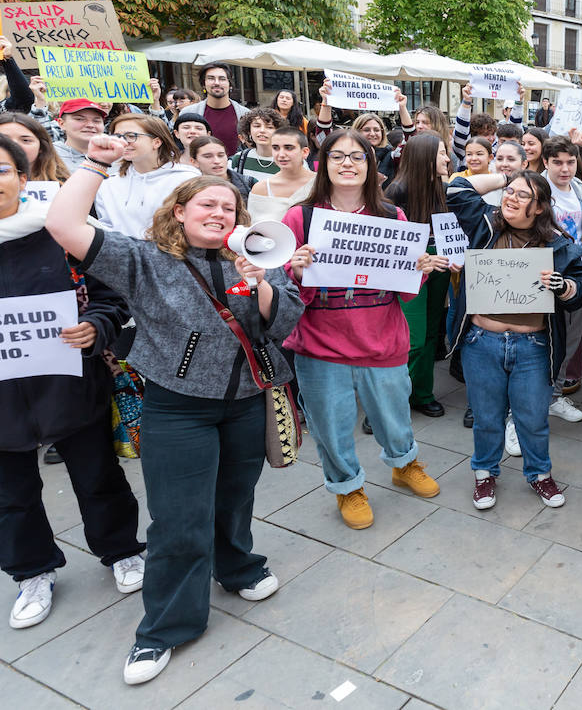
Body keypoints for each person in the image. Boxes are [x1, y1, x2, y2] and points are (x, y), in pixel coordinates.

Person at [46, 137, 304, 685]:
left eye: (228, 207)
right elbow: (65, 225)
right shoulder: (144, 261)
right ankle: (165, 627)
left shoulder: (258, 253)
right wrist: (94, 161)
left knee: (236, 498)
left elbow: (283, 325)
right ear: (179, 213)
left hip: (246, 403)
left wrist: (260, 285)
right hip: (179, 408)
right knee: (179, 516)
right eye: (207, 205)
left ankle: (236, 567)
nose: (219, 213)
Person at [0, 134, 143, 631]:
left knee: (97, 477)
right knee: (10, 494)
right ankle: (32, 571)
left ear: (22, 176)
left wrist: (95, 327)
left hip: (69, 385)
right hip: (3, 403)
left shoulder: (59, 234)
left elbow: (112, 296)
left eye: (2, 170)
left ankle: (122, 551)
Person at [283, 129, 447, 531]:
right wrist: (296, 269)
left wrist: (419, 271)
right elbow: (283, 286)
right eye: (338, 156)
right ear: (324, 164)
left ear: (371, 165)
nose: (347, 164)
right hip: (321, 345)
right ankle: (347, 486)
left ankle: (403, 463)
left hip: (381, 339)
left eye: (358, 157)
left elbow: (406, 292)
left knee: (394, 416)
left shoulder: (393, 217)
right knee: (330, 424)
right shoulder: (300, 216)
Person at [444, 167, 582, 512]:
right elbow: (457, 188)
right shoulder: (485, 227)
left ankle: (539, 474)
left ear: (540, 207)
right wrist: (503, 177)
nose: (511, 197)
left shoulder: (558, 244)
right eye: (510, 192)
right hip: (482, 343)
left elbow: (580, 288)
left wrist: (563, 286)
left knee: (533, 418)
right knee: (486, 417)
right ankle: (484, 474)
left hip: (533, 347)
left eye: (522, 195)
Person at [385, 132, 455, 419]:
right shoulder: (396, 191)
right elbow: (385, 244)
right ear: (425, 156)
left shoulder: (439, 186)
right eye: (441, 153)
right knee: (410, 340)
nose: (448, 159)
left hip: (438, 268)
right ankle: (386, 403)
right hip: (407, 271)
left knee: (429, 334)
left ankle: (421, 394)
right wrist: (418, 257)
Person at [544, 134, 582, 416]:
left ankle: (554, 396)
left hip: (577, 276)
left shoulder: (578, 188)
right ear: (546, 162)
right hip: (543, 278)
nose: (564, 169)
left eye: (569, 162)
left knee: (571, 340)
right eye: (557, 162)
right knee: (542, 345)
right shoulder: (535, 189)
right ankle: (526, 406)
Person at [96, 113, 199, 238]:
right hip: (121, 254)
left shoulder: (187, 178)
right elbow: (105, 227)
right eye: (118, 136)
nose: (123, 142)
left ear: (156, 142)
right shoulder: (108, 183)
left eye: (131, 136)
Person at [247, 127, 315, 224]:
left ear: (304, 152)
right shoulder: (261, 189)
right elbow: (254, 229)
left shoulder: (321, 183)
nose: (281, 154)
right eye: (275, 148)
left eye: (288, 148)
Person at [184, 63, 250, 151]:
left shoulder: (246, 114)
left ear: (229, 84)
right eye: (211, 78)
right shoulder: (189, 113)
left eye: (222, 79)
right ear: (204, 84)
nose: (217, 83)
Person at [0, 112, 70, 183]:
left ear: (41, 147)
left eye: (25, 140)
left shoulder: (65, 186)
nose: (14, 145)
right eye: (3, 139)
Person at [51, 99, 109, 171]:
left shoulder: (116, 158)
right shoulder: (47, 157)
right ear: (61, 123)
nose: (90, 125)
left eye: (96, 121)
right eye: (80, 119)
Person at [189, 136, 254, 200]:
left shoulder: (249, 184)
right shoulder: (188, 190)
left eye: (221, 155)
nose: (217, 161)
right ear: (194, 162)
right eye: (208, 156)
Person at [229, 109, 286, 179]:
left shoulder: (289, 159)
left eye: (269, 127)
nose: (262, 130)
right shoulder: (239, 159)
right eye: (257, 126)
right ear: (249, 131)